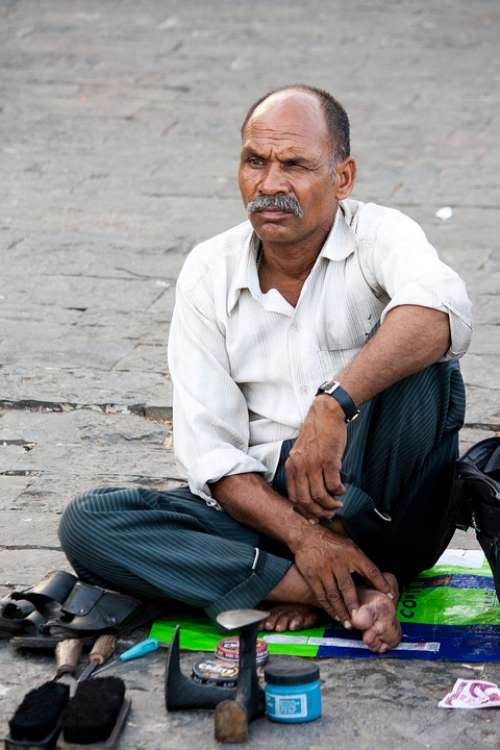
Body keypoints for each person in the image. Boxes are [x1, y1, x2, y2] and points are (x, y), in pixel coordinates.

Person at [59, 85, 472, 653]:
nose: (270, 184)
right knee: (91, 522)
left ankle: (317, 570)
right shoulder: (209, 269)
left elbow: (440, 314)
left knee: (421, 353)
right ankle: (326, 588)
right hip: (270, 519)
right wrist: (305, 539)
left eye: (295, 165)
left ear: (342, 178)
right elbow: (212, 454)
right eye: (256, 161)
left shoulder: (381, 235)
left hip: (388, 509)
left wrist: (334, 405)